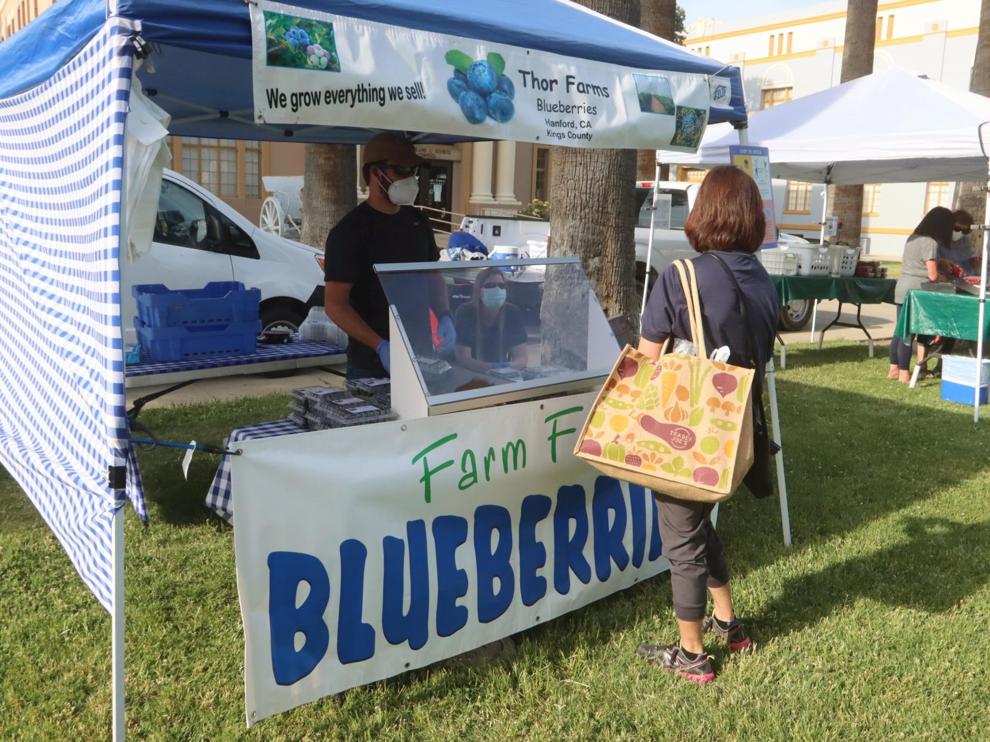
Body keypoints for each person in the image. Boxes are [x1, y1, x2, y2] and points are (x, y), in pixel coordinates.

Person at [634, 166, 779, 684]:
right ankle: (728, 623)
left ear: (704, 213)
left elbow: (647, 359)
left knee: (682, 539)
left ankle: (691, 653)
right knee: (698, 524)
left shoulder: (681, 275)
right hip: (734, 431)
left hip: (684, 427)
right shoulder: (765, 280)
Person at [324, 133, 454, 379]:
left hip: (422, 354)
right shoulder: (349, 232)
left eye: (412, 170)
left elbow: (433, 275)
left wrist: (444, 315)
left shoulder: (418, 221)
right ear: (375, 173)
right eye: (401, 170)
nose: (410, 178)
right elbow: (335, 304)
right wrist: (380, 346)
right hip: (372, 364)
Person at [889, 207, 953, 384]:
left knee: (899, 331)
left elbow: (916, 263)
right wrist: (946, 277)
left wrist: (941, 263)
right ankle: (904, 373)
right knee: (909, 334)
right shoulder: (930, 242)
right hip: (916, 292)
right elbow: (932, 275)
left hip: (902, 286)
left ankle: (893, 368)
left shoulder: (913, 237)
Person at [453, 267, 528, 373]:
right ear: (478, 291)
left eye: (501, 286)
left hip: (504, 374)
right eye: (490, 286)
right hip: (470, 373)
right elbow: (464, 359)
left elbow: (521, 358)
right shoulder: (466, 312)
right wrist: (492, 368)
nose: (497, 289)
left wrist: (505, 368)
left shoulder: (512, 312)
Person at [940, 209, 976, 276]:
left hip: (965, 278)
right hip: (945, 279)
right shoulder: (938, 241)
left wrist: (974, 261)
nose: (960, 233)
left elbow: (968, 261)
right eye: (957, 229)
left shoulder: (965, 241)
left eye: (965, 231)